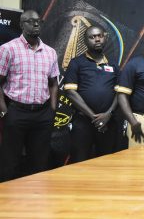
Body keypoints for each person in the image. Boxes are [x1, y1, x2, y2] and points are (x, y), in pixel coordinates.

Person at [0, 10, 59, 181]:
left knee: (40, 163)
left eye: (38, 21)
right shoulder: (7, 49)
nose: (35, 24)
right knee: (10, 162)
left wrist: (52, 110)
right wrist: (4, 111)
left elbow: (54, 84)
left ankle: (36, 202)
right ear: (21, 24)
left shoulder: (50, 52)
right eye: (30, 21)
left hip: (42, 114)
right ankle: (6, 202)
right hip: (16, 112)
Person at [63, 26, 119, 163]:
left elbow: (120, 93)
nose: (97, 39)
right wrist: (94, 117)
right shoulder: (76, 63)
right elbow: (70, 92)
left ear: (105, 38)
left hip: (108, 122)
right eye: (92, 37)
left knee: (106, 163)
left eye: (99, 36)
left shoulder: (113, 65)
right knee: (79, 162)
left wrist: (108, 114)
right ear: (85, 41)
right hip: (83, 122)